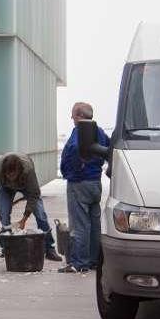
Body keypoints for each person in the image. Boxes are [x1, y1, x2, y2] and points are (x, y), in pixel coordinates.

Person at [0, 153, 63, 262]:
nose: (10, 178)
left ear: (19, 171)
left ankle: (49, 248)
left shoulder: (28, 170)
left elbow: (34, 195)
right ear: (4, 172)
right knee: (4, 216)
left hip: (26, 186)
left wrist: (24, 218)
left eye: (13, 175)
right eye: (8, 175)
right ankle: (7, 248)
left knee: (40, 215)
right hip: (6, 188)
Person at [58, 102, 109, 273]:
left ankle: (79, 263)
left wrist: (70, 172)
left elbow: (72, 151)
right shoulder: (100, 132)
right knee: (94, 224)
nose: (71, 118)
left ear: (79, 115)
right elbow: (110, 150)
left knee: (79, 225)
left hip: (79, 184)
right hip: (95, 183)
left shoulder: (79, 131)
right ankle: (95, 260)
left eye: (72, 115)